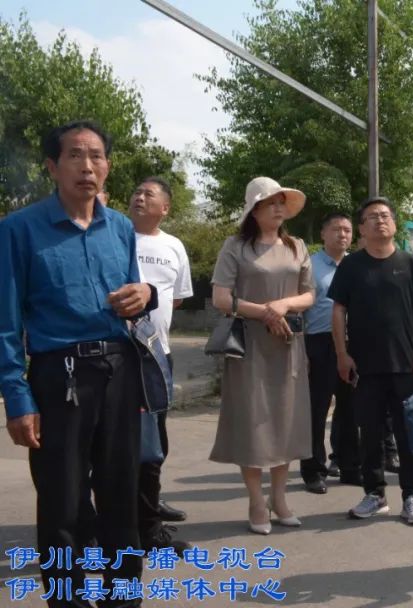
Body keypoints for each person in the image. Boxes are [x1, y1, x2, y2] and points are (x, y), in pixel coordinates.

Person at [1, 120, 158, 607]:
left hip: (118, 371)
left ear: (108, 167)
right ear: (52, 166)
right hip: (57, 376)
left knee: (120, 495)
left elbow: (133, 295)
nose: (87, 166)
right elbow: (5, 324)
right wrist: (17, 398)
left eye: (96, 156)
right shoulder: (18, 230)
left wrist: (145, 294)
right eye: (74, 155)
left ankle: (122, 598)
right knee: (63, 503)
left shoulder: (122, 228)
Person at [209, 176, 314, 535]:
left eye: (282, 202)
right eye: (271, 202)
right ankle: (256, 500)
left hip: (287, 344)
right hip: (249, 345)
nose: (279, 208)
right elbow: (222, 299)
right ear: (253, 209)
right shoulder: (235, 246)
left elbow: (309, 295)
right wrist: (266, 312)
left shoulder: (297, 246)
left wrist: (283, 305)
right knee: (253, 426)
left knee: (286, 421)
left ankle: (280, 498)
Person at [330, 197, 413, 525]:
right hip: (364, 366)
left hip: (406, 364)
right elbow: (338, 310)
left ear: (394, 224)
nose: (379, 221)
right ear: (362, 228)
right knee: (370, 434)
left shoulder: (409, 263)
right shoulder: (351, 266)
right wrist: (342, 354)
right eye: (371, 217)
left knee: (409, 435)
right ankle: (374, 494)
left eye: (385, 216)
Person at [129, 177, 193, 551]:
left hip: (158, 355)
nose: (139, 197)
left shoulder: (174, 246)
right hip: (119, 355)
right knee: (116, 442)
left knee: (155, 440)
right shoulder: (116, 235)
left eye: (148, 194)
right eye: (137, 192)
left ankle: (148, 510)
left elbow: (177, 298)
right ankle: (122, 519)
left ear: (165, 207)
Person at [301, 213, 361, 493]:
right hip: (319, 343)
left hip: (353, 344)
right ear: (323, 234)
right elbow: (298, 312)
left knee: (350, 409)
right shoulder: (309, 266)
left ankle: (349, 466)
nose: (342, 234)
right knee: (317, 408)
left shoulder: (357, 265)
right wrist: (301, 352)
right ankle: (314, 470)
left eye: (347, 230)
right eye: (336, 229)